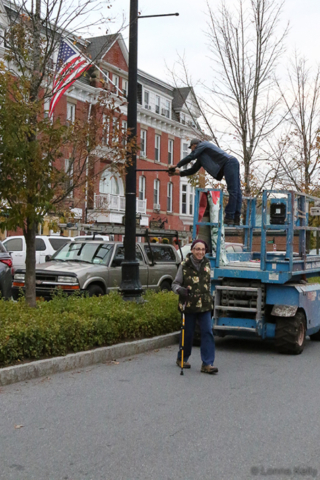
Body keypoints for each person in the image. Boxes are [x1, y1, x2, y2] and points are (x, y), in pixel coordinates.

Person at [169, 138, 242, 225]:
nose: (192, 151)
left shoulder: (203, 145)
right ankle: (236, 217)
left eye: (191, 148)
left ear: (194, 145)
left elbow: (191, 156)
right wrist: (178, 173)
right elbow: (193, 170)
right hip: (230, 164)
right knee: (236, 191)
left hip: (229, 163)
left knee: (234, 191)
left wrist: (176, 166)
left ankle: (231, 216)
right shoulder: (202, 157)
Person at [172, 239, 218, 374]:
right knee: (188, 333)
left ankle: (207, 363)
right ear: (192, 250)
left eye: (203, 249)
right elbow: (174, 284)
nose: (200, 252)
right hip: (189, 305)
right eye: (197, 249)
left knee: (207, 332)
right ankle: (182, 358)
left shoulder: (207, 263)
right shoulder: (184, 265)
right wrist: (180, 290)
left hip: (204, 305)